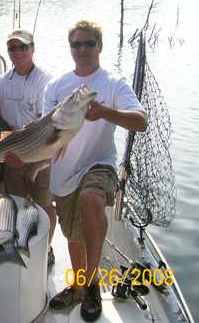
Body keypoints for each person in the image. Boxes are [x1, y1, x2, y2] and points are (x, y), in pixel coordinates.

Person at [44, 21, 147, 322]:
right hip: (63, 173)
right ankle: (78, 285)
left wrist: (104, 112)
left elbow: (140, 122)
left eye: (89, 43)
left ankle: (91, 284)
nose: (83, 49)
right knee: (74, 236)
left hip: (99, 164)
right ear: (71, 49)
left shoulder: (114, 82)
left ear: (100, 47)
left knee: (91, 199)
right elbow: (47, 132)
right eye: (77, 44)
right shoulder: (56, 86)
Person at [0, 28, 57, 266]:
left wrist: (31, 158)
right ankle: (21, 243)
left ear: (33, 48)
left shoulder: (45, 82)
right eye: (12, 47)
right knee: (17, 205)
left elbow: (47, 126)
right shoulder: (3, 82)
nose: (17, 52)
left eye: (22, 47)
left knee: (44, 205)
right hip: (12, 155)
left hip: (39, 155)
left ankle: (46, 248)